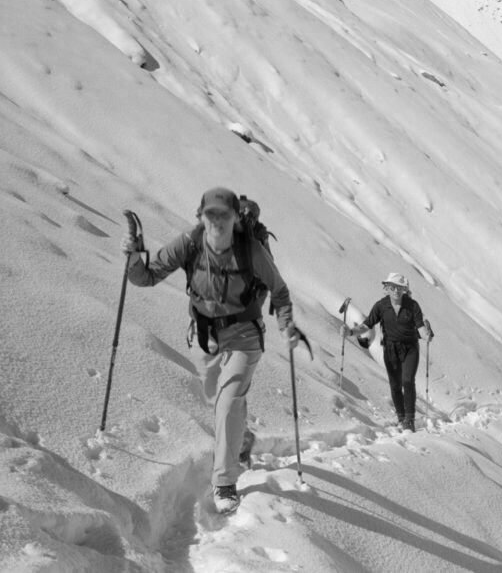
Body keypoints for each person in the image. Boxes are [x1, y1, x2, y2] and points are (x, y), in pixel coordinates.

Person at [122, 187, 300, 513]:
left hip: (246, 335)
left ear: (235, 219)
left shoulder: (252, 251)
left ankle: (224, 482)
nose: (217, 221)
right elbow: (145, 278)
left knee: (228, 404)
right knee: (217, 399)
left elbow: (280, 291)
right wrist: (134, 254)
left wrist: (286, 324)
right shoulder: (190, 243)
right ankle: (241, 440)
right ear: (201, 216)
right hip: (206, 336)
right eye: (211, 214)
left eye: (224, 215)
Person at [342, 273, 432, 432]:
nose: (396, 291)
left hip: (410, 348)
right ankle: (401, 418)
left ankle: (409, 421)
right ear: (387, 289)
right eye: (393, 287)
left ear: (404, 289)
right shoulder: (381, 306)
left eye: (399, 287)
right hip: (390, 350)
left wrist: (427, 334)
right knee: (395, 384)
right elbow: (366, 325)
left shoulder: (413, 306)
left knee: (407, 381)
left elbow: (420, 328)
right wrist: (349, 332)